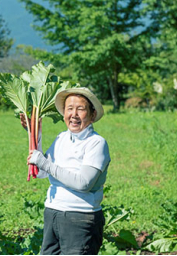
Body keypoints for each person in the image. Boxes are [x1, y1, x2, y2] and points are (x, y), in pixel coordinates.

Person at [26, 87, 110, 255]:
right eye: (69, 109)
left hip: (80, 217)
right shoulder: (62, 138)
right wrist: (36, 134)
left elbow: (83, 183)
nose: (74, 114)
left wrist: (43, 162)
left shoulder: (96, 143)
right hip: (53, 212)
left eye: (80, 109)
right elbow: (43, 172)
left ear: (92, 115)